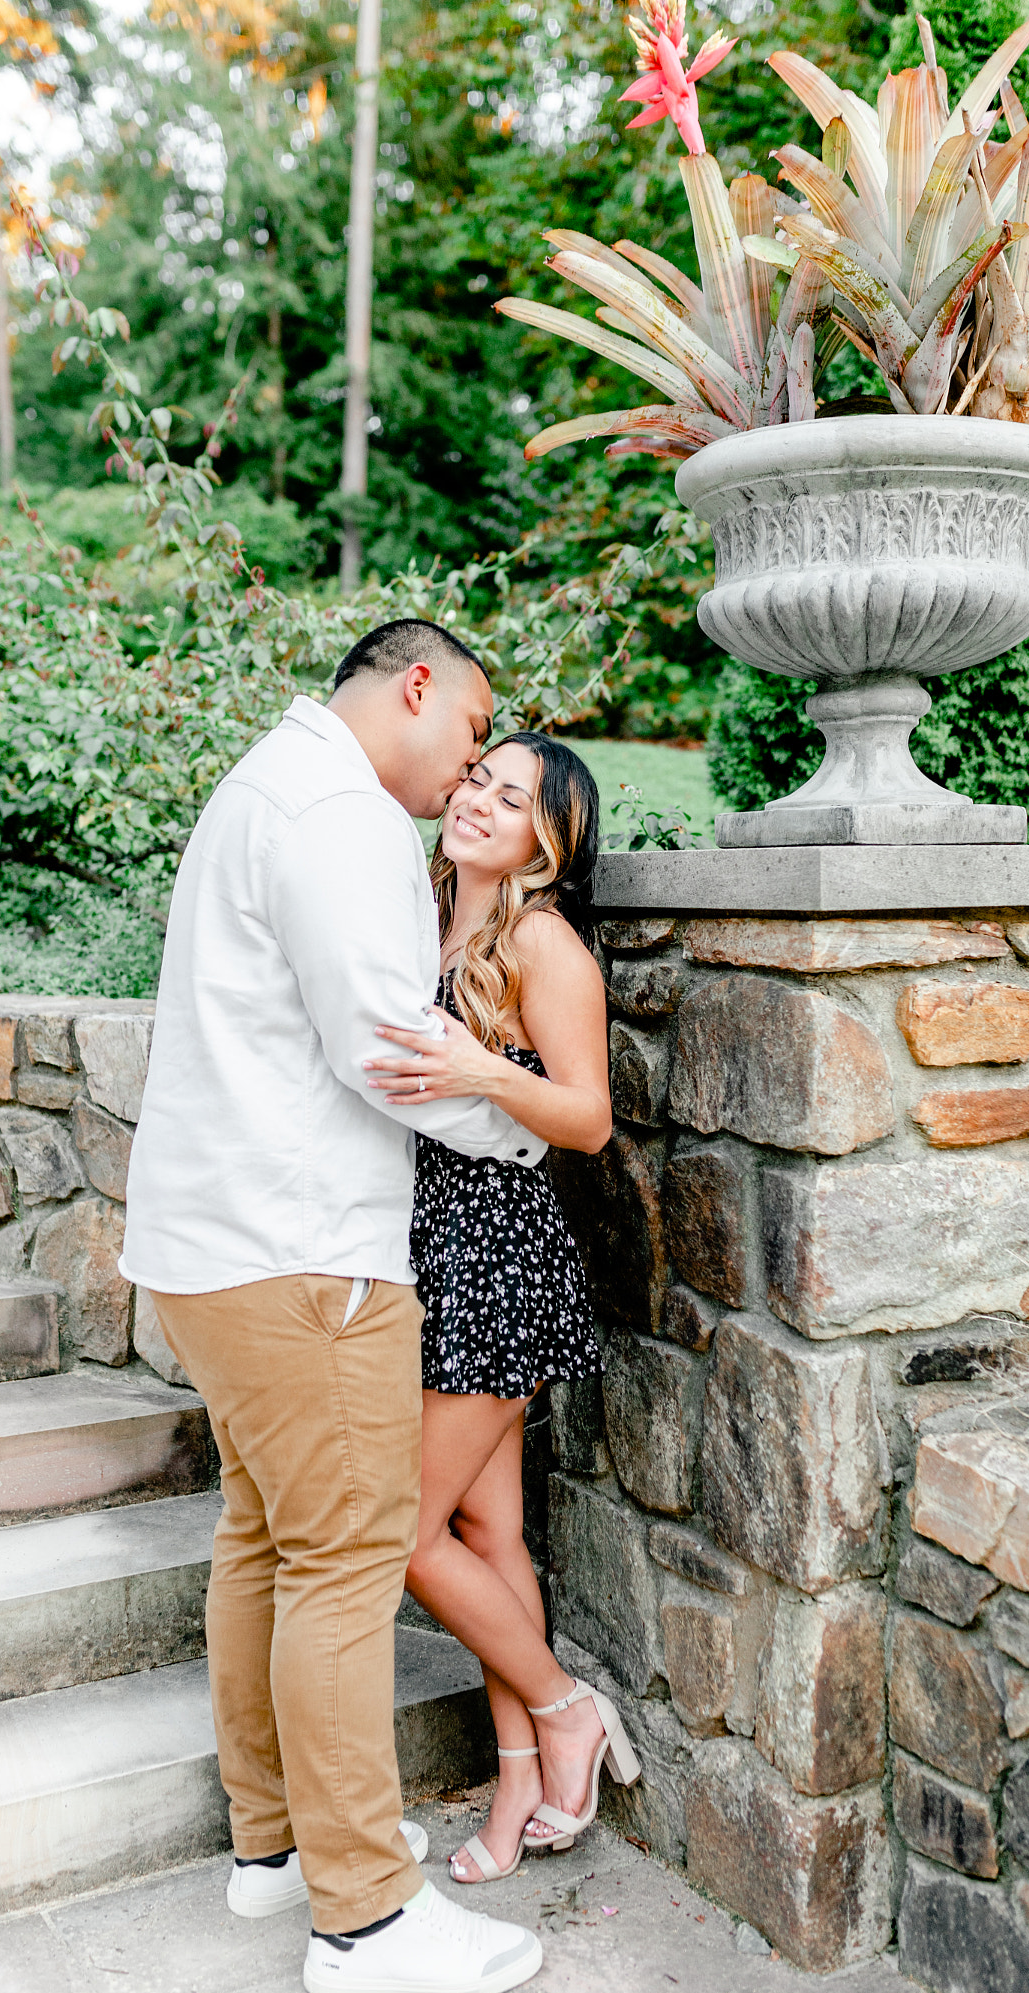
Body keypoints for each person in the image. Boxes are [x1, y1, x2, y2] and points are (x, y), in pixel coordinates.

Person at [120, 620, 548, 1993]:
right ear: (415, 686)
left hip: (210, 1246)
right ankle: (363, 1915)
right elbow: (392, 1054)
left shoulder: (261, 785)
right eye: (474, 731)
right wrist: (525, 1134)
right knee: (344, 1564)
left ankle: (276, 1847)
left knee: (265, 1538)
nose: (473, 764)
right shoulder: (339, 812)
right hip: (303, 1255)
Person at [364, 733, 641, 1886]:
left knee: (401, 1530)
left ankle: (565, 1704)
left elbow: (587, 1118)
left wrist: (484, 1071)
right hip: (422, 1241)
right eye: (478, 777)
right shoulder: (425, 914)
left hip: (494, 1252)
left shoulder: (541, 941)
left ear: (548, 837)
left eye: (511, 794)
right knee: (486, 1534)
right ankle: (519, 1777)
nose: (478, 797)